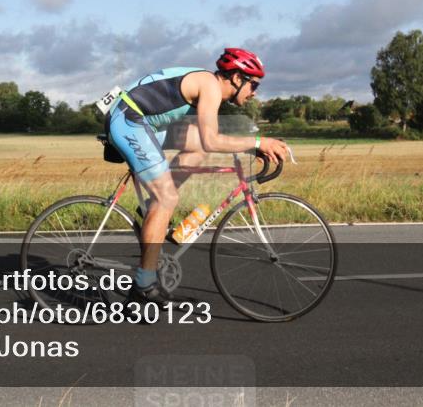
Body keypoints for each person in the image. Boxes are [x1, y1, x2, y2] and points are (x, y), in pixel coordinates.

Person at [104, 47, 290, 304]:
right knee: (167, 198)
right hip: (129, 122)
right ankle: (143, 286)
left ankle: (151, 207)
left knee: (197, 150)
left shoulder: (208, 87)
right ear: (237, 78)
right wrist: (258, 142)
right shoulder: (210, 86)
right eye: (253, 84)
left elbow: (205, 139)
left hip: (142, 122)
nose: (255, 92)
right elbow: (213, 138)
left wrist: (249, 146)